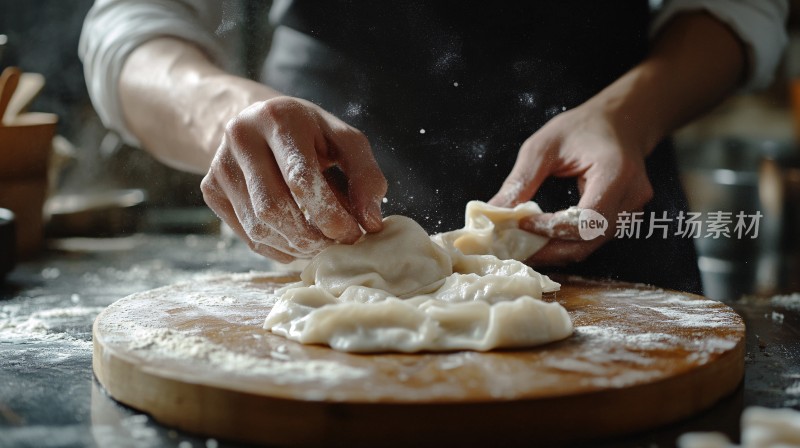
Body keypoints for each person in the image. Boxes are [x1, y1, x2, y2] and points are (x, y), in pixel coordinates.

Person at [80, 0, 787, 294]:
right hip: (309, 241)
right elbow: (131, 22)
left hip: (612, 233)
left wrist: (632, 114)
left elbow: (744, 5)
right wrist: (223, 109)